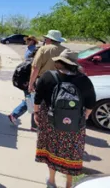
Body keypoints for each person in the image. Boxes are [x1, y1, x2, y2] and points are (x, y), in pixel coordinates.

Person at [34, 49, 96, 188]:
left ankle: (51, 181)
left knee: (51, 149)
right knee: (71, 154)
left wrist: (36, 113)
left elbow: (38, 98)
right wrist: (83, 117)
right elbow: (91, 103)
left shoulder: (47, 76)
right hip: (74, 124)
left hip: (50, 120)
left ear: (58, 62)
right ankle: (69, 184)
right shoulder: (83, 80)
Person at [8, 46, 39, 130]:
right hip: (30, 85)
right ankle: (33, 125)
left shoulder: (28, 59)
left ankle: (14, 115)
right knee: (32, 103)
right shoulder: (35, 62)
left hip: (25, 85)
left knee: (30, 102)